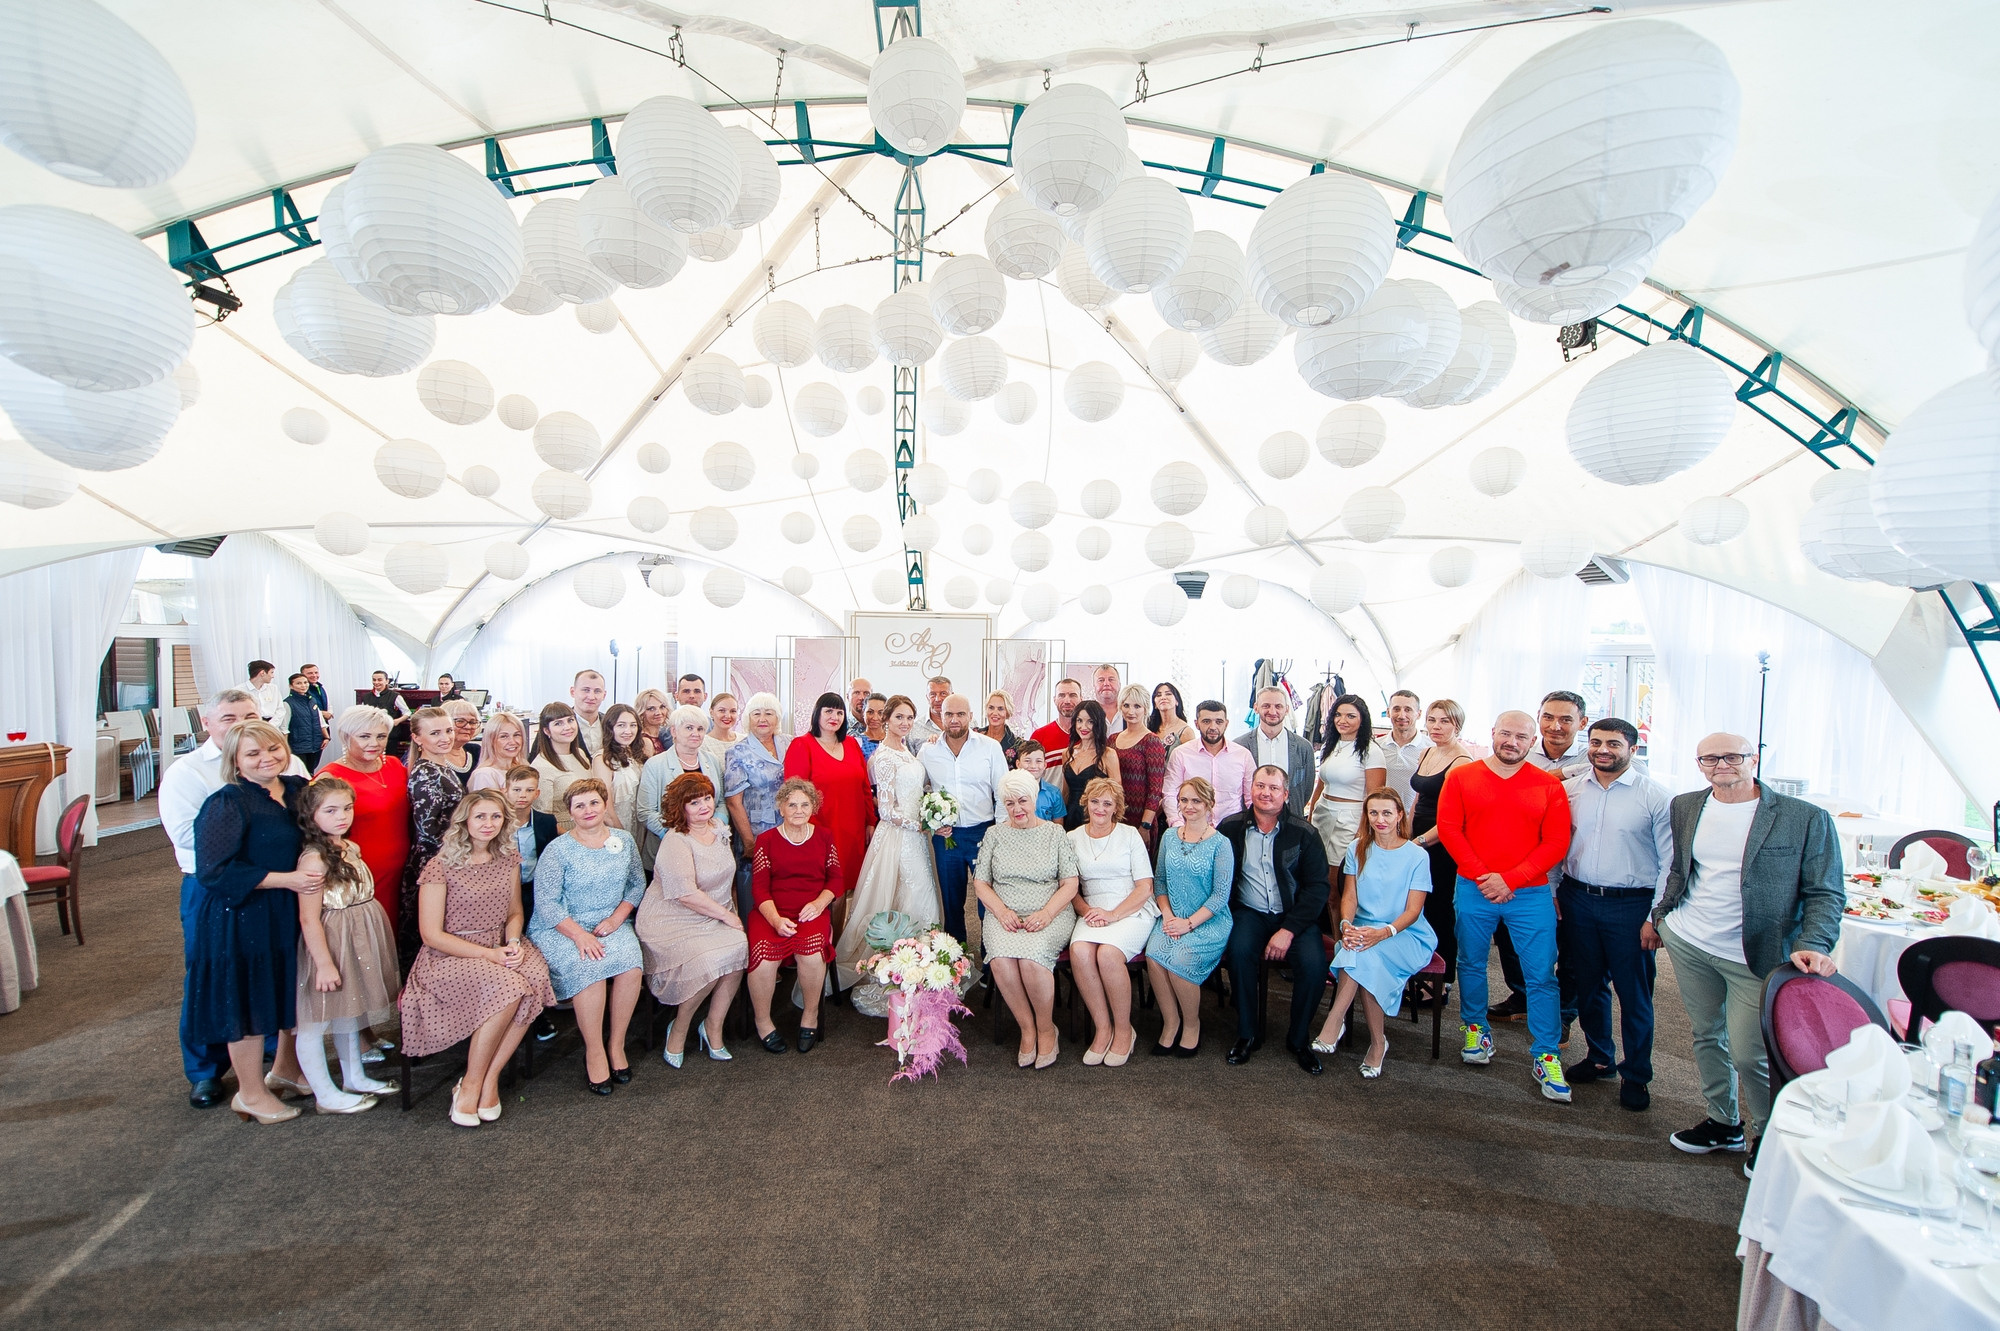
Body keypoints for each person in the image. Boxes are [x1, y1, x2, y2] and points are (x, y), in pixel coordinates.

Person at [1656, 732, 1843, 1177]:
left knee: (1749, 1053)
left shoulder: (1803, 817)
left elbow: (1825, 891)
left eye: (1732, 756)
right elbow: (1682, 868)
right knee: (1706, 1034)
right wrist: (1662, 916)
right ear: (1699, 763)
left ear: (1753, 758)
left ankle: (1770, 1136)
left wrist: (1814, 943)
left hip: (1756, 952)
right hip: (1691, 940)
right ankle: (1724, 1122)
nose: (1721, 765)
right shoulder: (1686, 805)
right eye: (1709, 758)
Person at [160, 690, 309, 1108]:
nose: (264, 756)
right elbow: (202, 853)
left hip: (285, 897)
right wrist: (281, 874)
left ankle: (282, 1067)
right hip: (229, 898)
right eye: (230, 718)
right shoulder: (206, 785)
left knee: (282, 982)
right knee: (230, 988)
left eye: (251, 716)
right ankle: (218, 1078)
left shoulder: (293, 782)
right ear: (209, 724)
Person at [1435, 710, 1573, 1103]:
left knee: (1541, 976)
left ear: (1533, 742)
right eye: (1506, 734)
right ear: (1493, 734)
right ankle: (1475, 1029)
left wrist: (1510, 879)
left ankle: (1546, 1054)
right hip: (1474, 887)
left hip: (1529, 893)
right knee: (1470, 963)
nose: (1512, 742)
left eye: (1521, 737)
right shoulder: (1462, 777)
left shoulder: (1548, 786)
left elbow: (1556, 842)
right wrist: (1485, 876)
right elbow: (1450, 829)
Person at [401, 789, 556, 1126]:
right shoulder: (440, 866)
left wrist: (512, 942)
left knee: (535, 976)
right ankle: (470, 1083)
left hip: (500, 944)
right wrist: (491, 955)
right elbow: (431, 935)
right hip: (450, 955)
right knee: (510, 988)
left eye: (496, 816)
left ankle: (489, 1079)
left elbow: (514, 912)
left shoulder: (508, 857)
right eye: (481, 816)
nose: (488, 823)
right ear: (465, 821)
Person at [1559, 718, 1673, 1112]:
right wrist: (1556, 889)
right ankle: (1599, 1057)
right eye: (1595, 742)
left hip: (1631, 905)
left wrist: (1655, 916)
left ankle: (1636, 1074)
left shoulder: (1656, 797)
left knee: (1634, 993)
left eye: (1613, 743)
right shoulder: (1572, 790)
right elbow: (1560, 842)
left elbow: (1670, 863)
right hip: (1578, 899)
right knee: (1588, 985)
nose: (1602, 750)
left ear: (1633, 749)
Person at [1311, 789, 1439, 1079]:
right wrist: (1346, 925)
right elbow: (1349, 897)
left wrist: (1382, 933)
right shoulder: (1357, 848)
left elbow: (1413, 911)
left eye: (1387, 813)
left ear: (1400, 815)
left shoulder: (1417, 856)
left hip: (1406, 933)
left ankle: (1335, 1022)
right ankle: (1377, 1042)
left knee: (1362, 953)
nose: (1380, 819)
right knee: (1359, 949)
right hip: (1364, 928)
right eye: (1373, 813)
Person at [529, 779, 646, 1093]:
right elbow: (547, 903)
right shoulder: (558, 850)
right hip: (563, 927)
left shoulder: (623, 840)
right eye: (579, 806)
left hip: (610, 922)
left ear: (605, 805)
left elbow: (636, 885)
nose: (588, 810)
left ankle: (616, 1044)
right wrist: (579, 935)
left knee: (631, 965)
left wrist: (617, 918)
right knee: (590, 968)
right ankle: (594, 1051)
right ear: (570, 812)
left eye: (594, 802)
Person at [290, 777, 399, 1112]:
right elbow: (309, 918)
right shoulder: (314, 859)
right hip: (333, 938)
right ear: (311, 815)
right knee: (316, 1019)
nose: (342, 816)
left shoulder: (349, 847)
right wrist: (323, 963)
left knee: (351, 1009)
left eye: (347, 808)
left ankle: (354, 1077)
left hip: (358, 933)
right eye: (331, 810)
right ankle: (324, 1093)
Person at [1219, 764, 1334, 1074]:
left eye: (1273, 788)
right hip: (1249, 912)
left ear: (1285, 794)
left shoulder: (1304, 832)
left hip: (1295, 916)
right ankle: (1247, 1033)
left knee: (1314, 965)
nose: (1265, 793)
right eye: (1260, 786)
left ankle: (1298, 1039)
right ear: (1251, 789)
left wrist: (1288, 930)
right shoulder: (1230, 828)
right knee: (1239, 953)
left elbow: (1317, 888)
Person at [837, 696, 946, 1008]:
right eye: (899, 717)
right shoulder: (883, 757)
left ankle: (922, 964)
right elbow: (885, 810)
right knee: (909, 893)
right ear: (886, 719)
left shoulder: (906, 749)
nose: (906, 723)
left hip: (916, 837)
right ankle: (900, 966)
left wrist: (929, 813)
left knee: (921, 892)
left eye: (910, 717)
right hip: (899, 835)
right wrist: (920, 824)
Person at [636, 772, 747, 1067]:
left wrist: (730, 913)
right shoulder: (676, 840)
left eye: (707, 798)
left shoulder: (719, 828)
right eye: (694, 802)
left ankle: (712, 1026)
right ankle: (679, 1027)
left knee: (739, 948)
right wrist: (727, 916)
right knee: (708, 962)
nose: (704, 806)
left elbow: (726, 878)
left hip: (714, 914)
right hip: (672, 919)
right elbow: (685, 894)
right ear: (681, 807)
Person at [973, 769, 1081, 1069]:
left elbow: (1070, 884)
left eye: (1022, 801)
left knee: (1031, 959)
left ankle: (1046, 1029)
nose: (1017, 808)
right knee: (1001, 960)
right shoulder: (994, 834)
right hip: (1004, 914)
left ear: (1034, 800)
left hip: (1049, 913)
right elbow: (981, 883)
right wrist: (1001, 911)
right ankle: (1027, 1028)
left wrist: (1046, 913)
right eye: (1010, 803)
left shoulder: (1055, 834)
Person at [746, 779, 844, 1053]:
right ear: (781, 808)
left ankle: (810, 1016)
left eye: (805, 804)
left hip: (810, 911)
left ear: (813, 807)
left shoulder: (824, 837)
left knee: (810, 954)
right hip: (771, 912)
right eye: (792, 805)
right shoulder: (766, 840)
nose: (798, 810)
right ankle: (763, 1022)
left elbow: (836, 880)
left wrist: (820, 903)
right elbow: (759, 889)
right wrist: (776, 920)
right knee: (764, 958)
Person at [1067, 777, 1156, 1066]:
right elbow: (1070, 888)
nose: (1100, 808)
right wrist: (1086, 911)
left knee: (1107, 954)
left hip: (1130, 907)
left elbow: (1145, 887)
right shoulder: (1073, 838)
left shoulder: (1129, 835)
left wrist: (1114, 914)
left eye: (1107, 803)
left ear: (1117, 807)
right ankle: (1102, 1028)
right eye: (1095, 801)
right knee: (1080, 951)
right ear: (1086, 803)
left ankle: (1124, 1029)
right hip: (1093, 909)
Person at [1143, 778, 1235, 1057]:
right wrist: (1168, 915)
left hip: (1208, 921)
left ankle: (1192, 1024)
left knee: (1180, 959)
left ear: (1209, 804)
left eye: (1196, 800)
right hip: (1172, 915)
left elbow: (1220, 896)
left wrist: (1189, 923)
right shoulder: (1170, 837)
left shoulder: (1221, 844)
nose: (1189, 806)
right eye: (1184, 800)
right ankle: (1171, 1023)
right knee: (1154, 955)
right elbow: (1160, 882)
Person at [919, 693, 1010, 945]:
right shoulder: (928, 751)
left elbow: (1002, 792)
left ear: (970, 716)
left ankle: (991, 955)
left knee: (988, 900)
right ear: (940, 716)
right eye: (949, 714)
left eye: (960, 714)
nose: (954, 719)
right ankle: (956, 957)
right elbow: (918, 792)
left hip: (983, 832)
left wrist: (1000, 832)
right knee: (951, 901)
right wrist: (931, 823)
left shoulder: (989, 747)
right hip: (946, 837)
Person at [782, 694, 872, 913]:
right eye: (829, 711)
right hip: (819, 830)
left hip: (852, 830)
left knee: (846, 889)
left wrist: (871, 821)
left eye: (840, 712)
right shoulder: (802, 745)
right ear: (817, 714)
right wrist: (804, 831)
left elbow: (864, 787)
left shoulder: (851, 744)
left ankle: (839, 935)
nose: (835, 717)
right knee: (822, 890)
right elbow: (795, 795)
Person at [1407, 700, 1473, 983]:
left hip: (1443, 842)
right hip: (1418, 837)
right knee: (1417, 905)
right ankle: (1419, 969)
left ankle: (1442, 981)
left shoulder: (1462, 762)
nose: (1436, 726)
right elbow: (1417, 800)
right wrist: (1406, 835)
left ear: (1457, 725)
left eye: (1444, 721)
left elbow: (1453, 819)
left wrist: (1418, 843)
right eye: (1432, 720)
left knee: (1439, 908)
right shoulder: (1427, 752)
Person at [400, 706, 467, 968]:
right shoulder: (425, 772)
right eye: (435, 733)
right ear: (417, 738)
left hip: (448, 858)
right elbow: (428, 832)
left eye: (448, 730)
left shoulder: (441, 766)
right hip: (433, 864)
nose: (445, 738)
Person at [1304, 693, 1387, 870]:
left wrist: (1363, 830)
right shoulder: (1329, 745)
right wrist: (1311, 816)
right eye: (1338, 714)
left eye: (1350, 716)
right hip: (1322, 814)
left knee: (1339, 873)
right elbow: (1320, 785)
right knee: (1316, 870)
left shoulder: (1371, 751)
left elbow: (1375, 797)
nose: (1342, 720)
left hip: (1350, 820)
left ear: (1362, 720)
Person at [723, 694, 787, 917]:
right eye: (756, 713)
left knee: (786, 891)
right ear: (747, 719)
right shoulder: (737, 752)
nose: (763, 719)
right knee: (755, 895)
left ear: (777, 718)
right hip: (756, 832)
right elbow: (733, 802)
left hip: (789, 828)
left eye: (769, 713)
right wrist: (749, 842)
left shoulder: (789, 743)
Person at [638, 705, 726, 859]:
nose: (695, 733)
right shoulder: (655, 764)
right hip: (669, 849)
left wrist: (713, 828)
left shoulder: (712, 760)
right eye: (689, 728)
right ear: (674, 731)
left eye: (700, 729)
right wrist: (680, 835)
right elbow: (645, 812)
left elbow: (721, 802)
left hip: (709, 846)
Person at [1163, 700, 1254, 827]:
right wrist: (1178, 825)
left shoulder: (1243, 755)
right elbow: (1170, 794)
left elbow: (1252, 798)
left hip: (1233, 829)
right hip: (1191, 828)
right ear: (1197, 724)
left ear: (1226, 724)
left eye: (1219, 721)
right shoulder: (1181, 754)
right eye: (1206, 721)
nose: (1213, 727)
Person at [1233, 686, 1315, 819]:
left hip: (1291, 819)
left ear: (1287, 709)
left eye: (1278, 706)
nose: (1272, 711)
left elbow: (1306, 789)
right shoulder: (1239, 746)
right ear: (1256, 708)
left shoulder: (1303, 747)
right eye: (1266, 706)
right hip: (1250, 819)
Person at [530, 701, 608, 833]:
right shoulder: (541, 767)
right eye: (558, 723)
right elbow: (543, 818)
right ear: (546, 730)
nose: (567, 727)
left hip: (589, 826)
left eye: (570, 720)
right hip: (562, 832)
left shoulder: (580, 754)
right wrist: (572, 838)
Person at [1111, 685, 1166, 847]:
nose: (1131, 711)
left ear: (1145, 709)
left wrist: (1145, 825)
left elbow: (1156, 790)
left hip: (1141, 820)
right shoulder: (1111, 739)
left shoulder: (1152, 741)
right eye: (1126, 705)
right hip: (1114, 816)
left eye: (1137, 706)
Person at [1059, 700, 1121, 832]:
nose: (1083, 726)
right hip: (1070, 817)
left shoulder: (1108, 754)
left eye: (1090, 721)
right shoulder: (1067, 753)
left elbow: (1116, 796)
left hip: (1097, 818)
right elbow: (1065, 793)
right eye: (1079, 720)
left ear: (1098, 723)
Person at [598, 703, 647, 834]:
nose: (628, 731)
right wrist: (621, 833)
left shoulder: (637, 755)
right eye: (621, 725)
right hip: (616, 827)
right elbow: (605, 804)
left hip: (639, 826)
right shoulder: (602, 758)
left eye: (633, 725)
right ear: (610, 728)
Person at [1378, 689, 1431, 809]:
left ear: (1419, 714)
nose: (1402, 715)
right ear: (1388, 712)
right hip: (1384, 815)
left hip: (1418, 815)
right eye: (1396, 709)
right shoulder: (1376, 746)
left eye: (1408, 710)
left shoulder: (1431, 748)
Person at [1528, 690, 1592, 781]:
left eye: (1566, 720)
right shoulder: (1523, 754)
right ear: (1538, 717)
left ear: (1583, 723)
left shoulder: (1591, 757)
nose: (1554, 727)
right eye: (1548, 717)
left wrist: (1563, 773)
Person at [276, 673, 328, 773]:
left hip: (314, 745)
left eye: (305, 682)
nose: (303, 685)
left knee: (311, 773)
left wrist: (326, 737)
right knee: (300, 774)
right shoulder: (287, 703)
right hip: (298, 747)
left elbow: (320, 720)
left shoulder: (312, 700)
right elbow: (284, 728)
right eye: (299, 683)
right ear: (291, 686)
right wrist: (285, 748)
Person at [466, 711, 528, 793]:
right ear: (491, 741)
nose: (512, 742)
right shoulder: (485, 775)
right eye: (504, 736)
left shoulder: (523, 765)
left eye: (516, 735)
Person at [1031, 678, 1082, 764]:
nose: (1067, 701)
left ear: (1081, 699)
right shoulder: (1039, 736)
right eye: (1061, 695)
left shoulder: (1091, 735)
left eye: (1072, 695)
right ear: (1054, 700)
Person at [1014, 739, 1067, 823]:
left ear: (1045, 765)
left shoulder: (1054, 793)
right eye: (1027, 761)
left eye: (1038, 761)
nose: (1033, 766)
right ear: (1018, 764)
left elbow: (1058, 826)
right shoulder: (1010, 791)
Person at [979, 690, 1024, 768]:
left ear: (1007, 712)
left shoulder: (1018, 744)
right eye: (991, 708)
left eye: (1000, 709)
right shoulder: (974, 735)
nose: (995, 713)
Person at [1149, 681, 1194, 757]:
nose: (1163, 697)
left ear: (1177, 701)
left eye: (1168, 694)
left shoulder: (1186, 731)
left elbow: (1190, 761)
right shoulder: (1149, 727)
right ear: (1155, 704)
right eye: (1159, 695)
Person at [440, 698, 482, 780]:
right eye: (460, 721)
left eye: (472, 722)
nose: (468, 727)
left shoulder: (476, 751)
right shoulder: (434, 756)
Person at [569, 670, 607, 755]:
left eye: (597, 691)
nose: (591, 697)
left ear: (604, 695)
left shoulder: (611, 723)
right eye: (586, 690)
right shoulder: (558, 725)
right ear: (573, 692)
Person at [633, 688, 673, 758]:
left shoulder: (662, 735)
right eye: (651, 709)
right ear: (642, 713)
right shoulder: (645, 741)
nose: (658, 713)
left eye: (662, 707)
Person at [704, 692, 740, 764]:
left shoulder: (744, 740)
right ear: (711, 712)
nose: (728, 716)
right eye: (722, 711)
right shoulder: (703, 744)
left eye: (733, 711)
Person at [918, 674, 952, 742]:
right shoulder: (914, 727)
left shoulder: (969, 723)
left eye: (943, 694)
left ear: (952, 696)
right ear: (927, 697)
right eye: (932, 694)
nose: (937, 699)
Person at [857, 693, 890, 761]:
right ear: (863, 713)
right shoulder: (857, 742)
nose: (875, 718)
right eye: (870, 712)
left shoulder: (893, 740)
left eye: (880, 713)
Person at [1092, 664, 1124, 731]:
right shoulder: (1087, 713)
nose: (1106, 684)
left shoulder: (1129, 711)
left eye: (1111, 679)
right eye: (1101, 680)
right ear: (1094, 686)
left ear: (1119, 685)